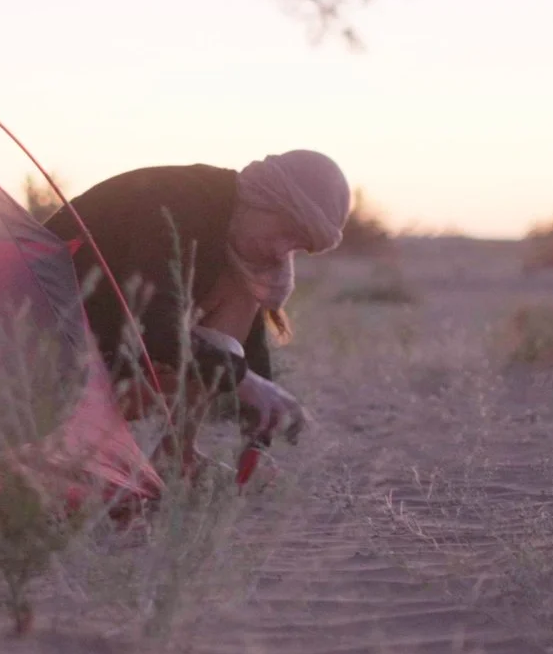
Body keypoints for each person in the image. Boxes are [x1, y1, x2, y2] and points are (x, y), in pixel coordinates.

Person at [41, 150, 350, 444]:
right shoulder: (180, 201)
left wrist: (261, 428)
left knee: (242, 295)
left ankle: (178, 451)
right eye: (287, 231)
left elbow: (249, 348)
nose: (281, 252)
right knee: (218, 359)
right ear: (265, 198)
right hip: (41, 345)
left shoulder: (236, 228)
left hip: (105, 348)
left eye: (297, 246)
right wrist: (244, 381)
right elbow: (154, 328)